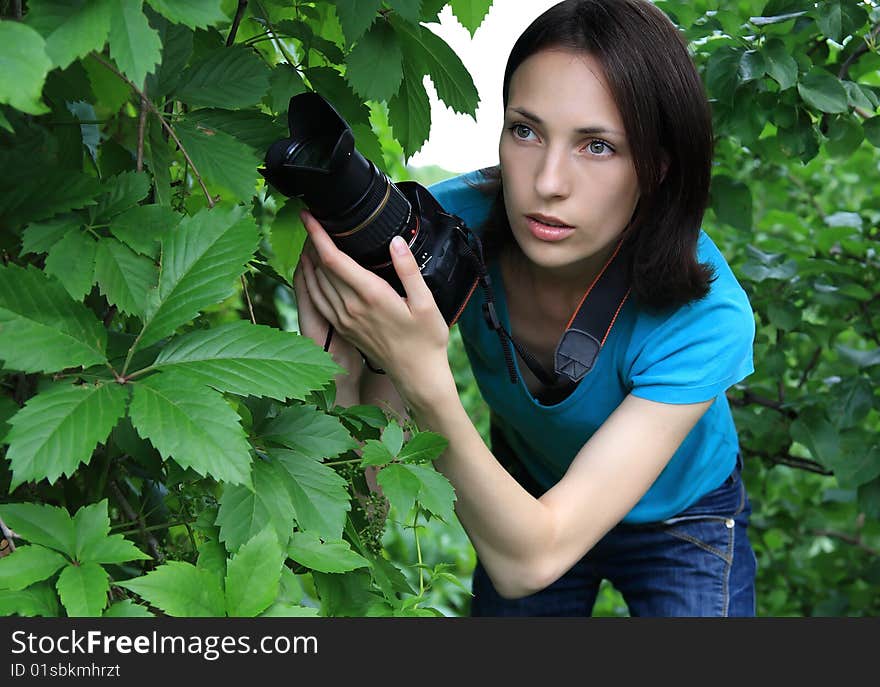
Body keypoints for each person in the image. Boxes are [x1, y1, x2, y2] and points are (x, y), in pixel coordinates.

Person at [292, 0, 757, 617]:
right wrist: (350, 360)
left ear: (658, 168)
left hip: (681, 512)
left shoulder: (706, 314)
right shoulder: (451, 230)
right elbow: (374, 495)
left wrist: (423, 376)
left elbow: (529, 564)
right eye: (527, 131)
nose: (547, 182)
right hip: (528, 483)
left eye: (597, 146)